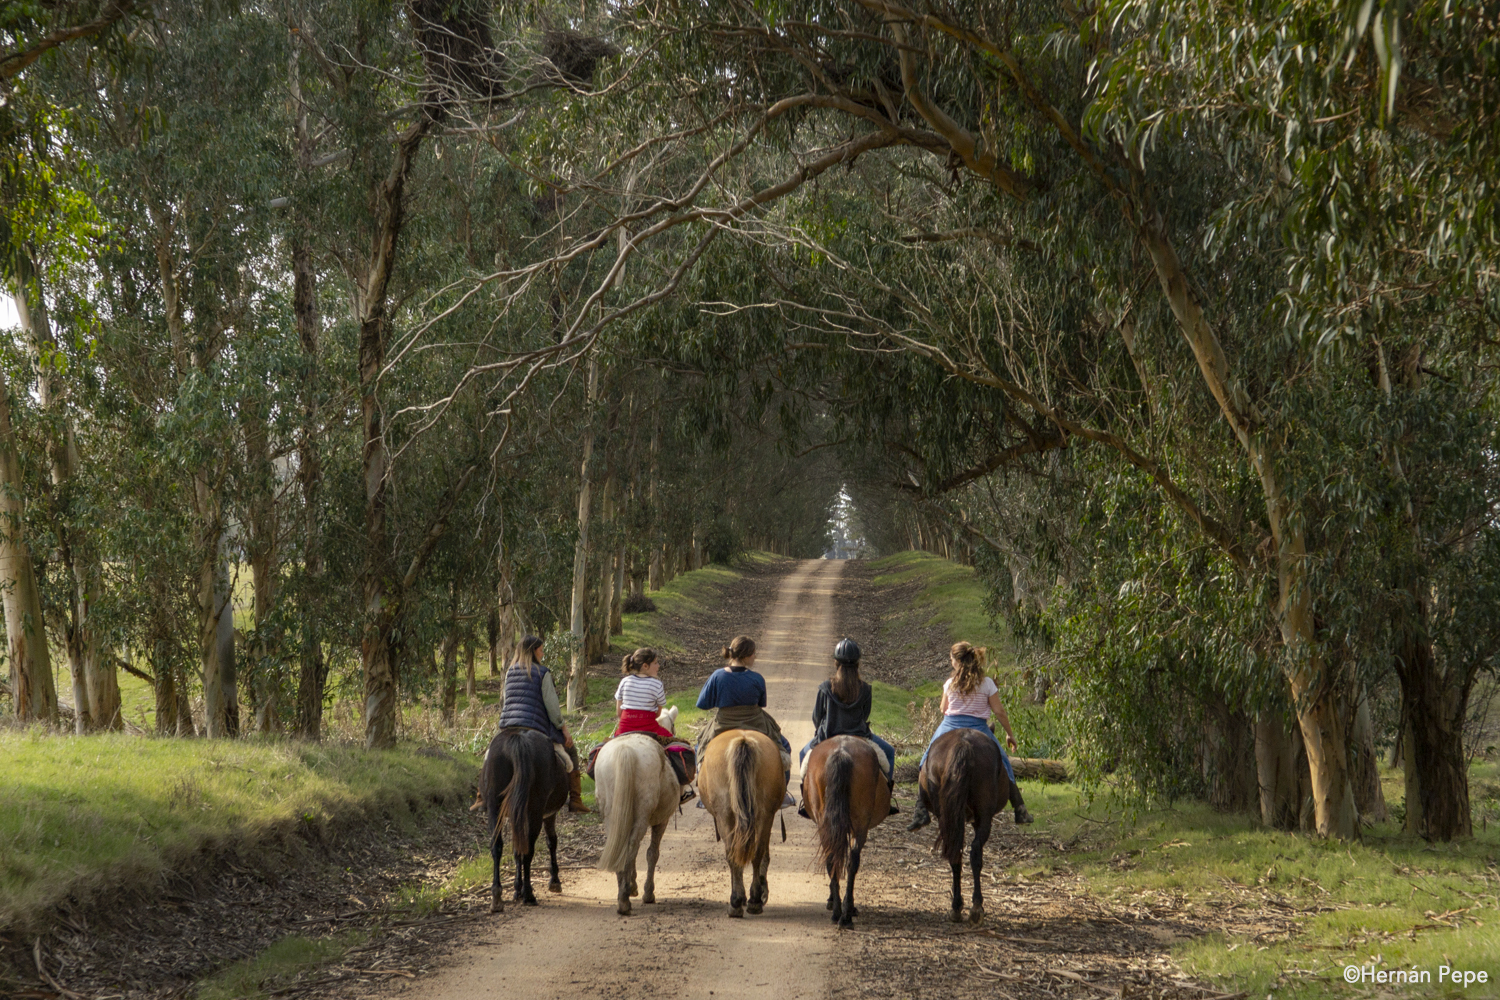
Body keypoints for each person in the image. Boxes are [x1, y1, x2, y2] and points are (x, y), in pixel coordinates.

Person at [906, 641, 1033, 830]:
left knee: (926, 759)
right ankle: (1019, 807)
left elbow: (943, 709)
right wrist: (1009, 734)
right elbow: (999, 712)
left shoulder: (950, 683)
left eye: (951, 660)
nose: (951, 663)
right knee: (1004, 762)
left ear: (957, 661)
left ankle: (920, 808)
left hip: (950, 725)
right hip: (979, 727)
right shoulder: (987, 683)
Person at [798, 637, 899, 816]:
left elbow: (816, 717)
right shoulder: (865, 689)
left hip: (827, 735)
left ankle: (805, 802)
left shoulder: (825, 688)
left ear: (836, 663)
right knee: (889, 753)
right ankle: (887, 800)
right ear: (858, 664)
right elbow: (865, 715)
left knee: (802, 755)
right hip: (860, 735)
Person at [694, 635, 795, 807]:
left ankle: (704, 792)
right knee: (784, 747)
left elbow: (702, 704)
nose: (755, 657)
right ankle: (782, 792)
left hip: (723, 723)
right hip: (755, 721)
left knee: (700, 747)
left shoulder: (717, 676)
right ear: (747, 655)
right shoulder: (757, 678)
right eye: (754, 654)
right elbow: (762, 704)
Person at [497, 635, 590, 813]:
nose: (543, 653)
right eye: (541, 649)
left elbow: (506, 700)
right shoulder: (542, 672)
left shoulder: (509, 671)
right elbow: (552, 707)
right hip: (535, 726)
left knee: (490, 754)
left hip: (508, 725)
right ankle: (576, 799)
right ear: (533, 651)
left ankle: (480, 795)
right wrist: (564, 729)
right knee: (571, 750)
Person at [613, 646, 697, 801]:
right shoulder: (656, 684)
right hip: (649, 728)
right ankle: (681, 792)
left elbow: (619, 713)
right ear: (646, 666)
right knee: (681, 746)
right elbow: (658, 714)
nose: (658, 666)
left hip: (624, 729)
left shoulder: (624, 681)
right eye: (656, 663)